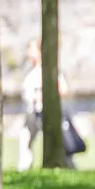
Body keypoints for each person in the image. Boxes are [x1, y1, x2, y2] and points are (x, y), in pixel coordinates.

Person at [18, 40, 73, 171]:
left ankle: (69, 164)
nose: (28, 54)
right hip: (32, 113)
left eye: (31, 50)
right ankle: (23, 167)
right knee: (25, 138)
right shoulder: (31, 71)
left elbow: (62, 89)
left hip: (44, 112)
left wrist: (44, 97)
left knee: (58, 141)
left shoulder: (48, 70)